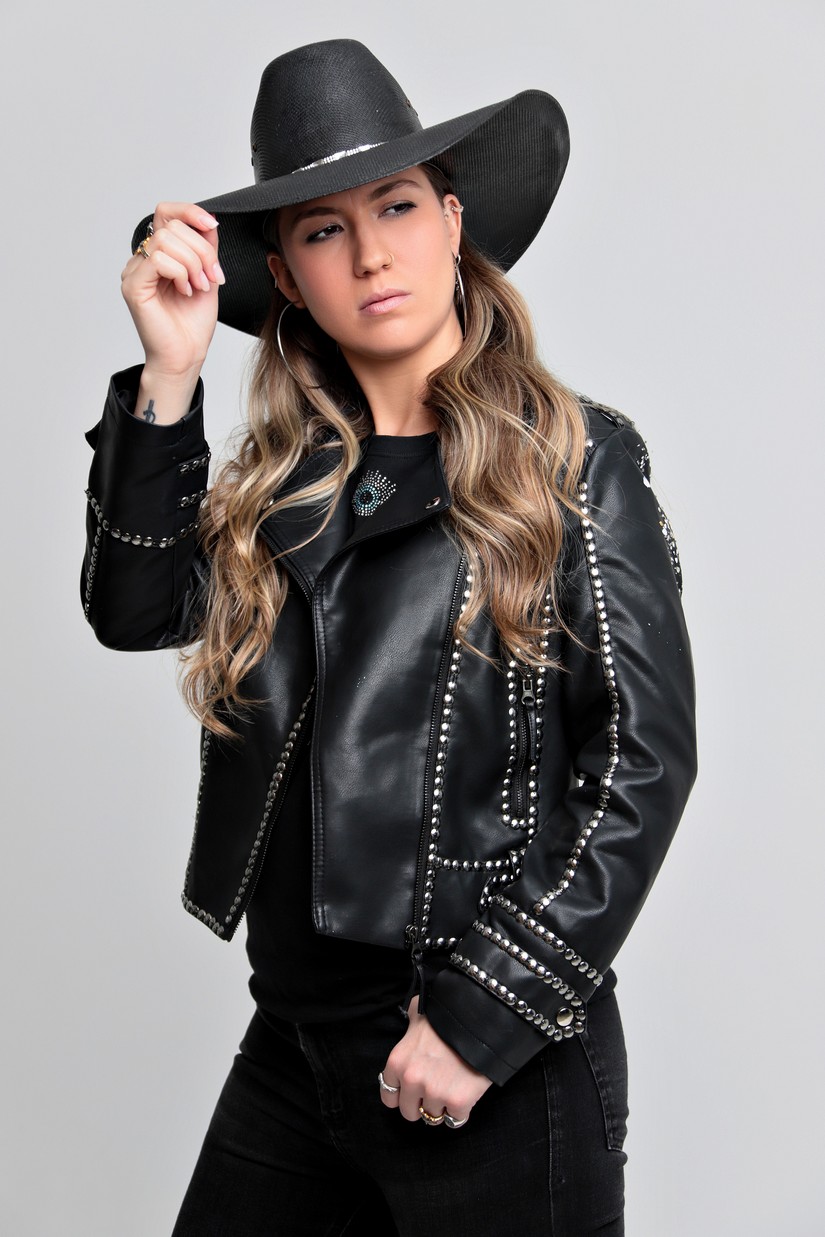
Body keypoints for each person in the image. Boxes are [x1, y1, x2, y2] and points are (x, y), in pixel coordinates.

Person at [82, 38, 697, 1237]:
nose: (370, 254)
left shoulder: (575, 463)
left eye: (398, 206)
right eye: (325, 229)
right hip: (297, 1041)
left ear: (452, 223)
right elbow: (133, 608)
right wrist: (169, 377)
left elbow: (641, 757)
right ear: (288, 276)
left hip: (482, 1050)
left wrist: (486, 1014)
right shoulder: (286, 491)